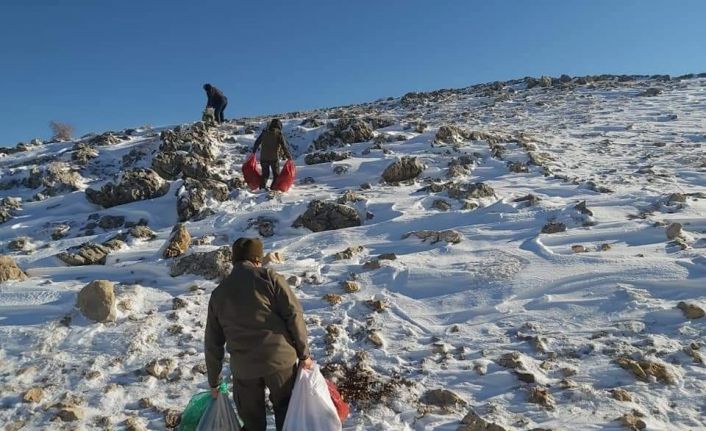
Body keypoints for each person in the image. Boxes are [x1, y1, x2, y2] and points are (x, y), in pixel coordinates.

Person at [205, 237, 313, 431]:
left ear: (234, 260)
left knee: (253, 423)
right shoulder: (270, 278)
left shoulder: (218, 294)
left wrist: (214, 381)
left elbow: (212, 343)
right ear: (257, 259)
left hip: (244, 368)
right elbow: (294, 315)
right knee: (287, 415)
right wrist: (304, 354)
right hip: (280, 362)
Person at [252, 119, 292, 190]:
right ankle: (273, 188)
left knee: (265, 175)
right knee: (276, 175)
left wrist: (253, 152)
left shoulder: (264, 132)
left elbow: (257, 142)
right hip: (274, 158)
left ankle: (262, 188)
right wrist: (289, 157)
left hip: (263, 158)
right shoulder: (278, 133)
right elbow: (284, 146)